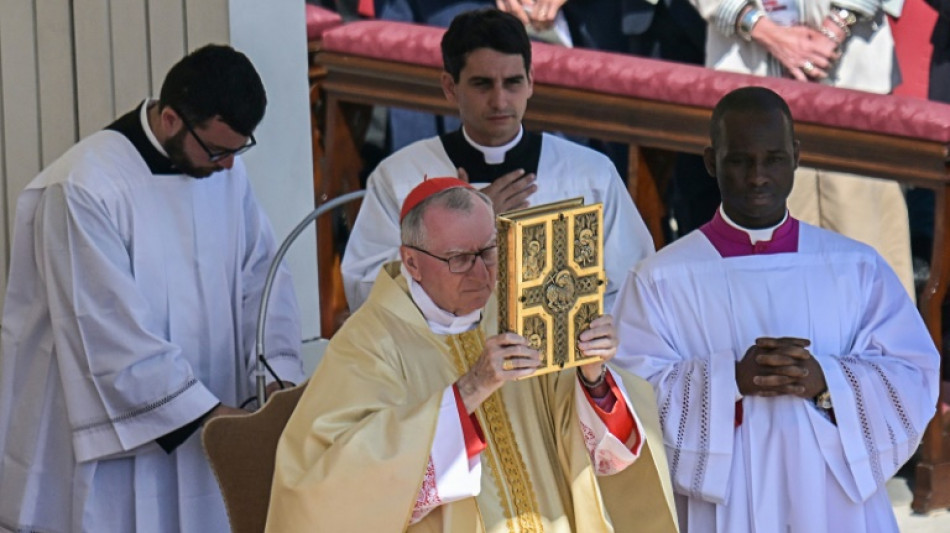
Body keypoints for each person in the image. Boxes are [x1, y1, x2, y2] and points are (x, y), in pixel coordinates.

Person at [0, 45, 306, 532]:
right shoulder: (84, 187)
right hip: (119, 449)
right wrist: (213, 417)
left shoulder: (225, 171)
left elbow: (262, 279)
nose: (228, 166)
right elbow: (104, 330)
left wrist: (275, 377)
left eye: (237, 151)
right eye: (218, 150)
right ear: (170, 119)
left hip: (215, 428)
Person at [613, 86, 940, 532]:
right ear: (711, 162)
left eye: (773, 159)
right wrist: (729, 380)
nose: (758, 176)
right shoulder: (660, 279)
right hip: (724, 502)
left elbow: (913, 373)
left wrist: (828, 381)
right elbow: (631, 394)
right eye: (740, 160)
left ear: (796, 157)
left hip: (832, 500)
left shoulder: (854, 267)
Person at [268, 178, 677, 532]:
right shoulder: (367, 345)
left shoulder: (522, 310)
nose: (483, 275)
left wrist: (592, 375)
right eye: (461, 259)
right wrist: (470, 389)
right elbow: (330, 484)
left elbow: (587, 444)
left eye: (490, 251)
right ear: (411, 262)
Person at [342, 8, 654, 311]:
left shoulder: (590, 175)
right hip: (441, 361)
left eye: (513, 82)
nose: (500, 100)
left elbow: (634, 291)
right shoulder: (401, 177)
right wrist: (466, 230)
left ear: (531, 82)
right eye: (482, 84)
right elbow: (365, 293)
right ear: (450, 87)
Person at [689, 0, 916, 298]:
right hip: (748, 68)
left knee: (863, 235)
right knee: (767, 243)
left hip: (852, 79)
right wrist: (762, 28)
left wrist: (835, 28)